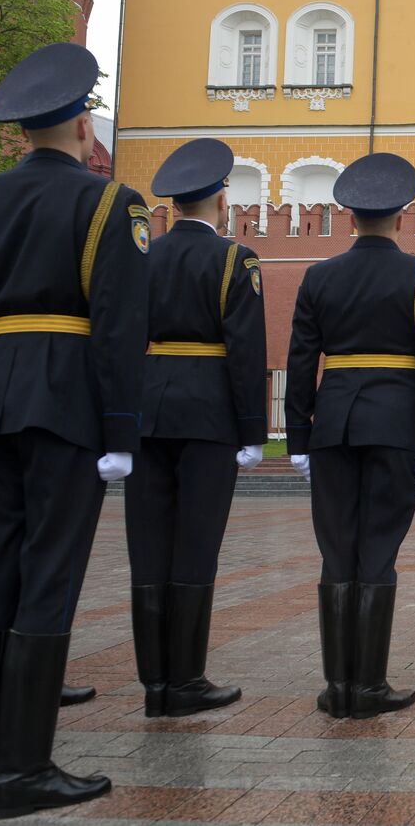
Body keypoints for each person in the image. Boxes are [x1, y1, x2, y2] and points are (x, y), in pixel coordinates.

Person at [0, 43, 149, 817]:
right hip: (65, 404)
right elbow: (120, 326)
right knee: (48, 580)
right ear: (83, 127)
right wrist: (121, 433)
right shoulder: (110, 203)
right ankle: (24, 771)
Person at [284, 152, 415, 720]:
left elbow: (301, 360)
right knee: (378, 550)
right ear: (401, 217)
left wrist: (298, 439)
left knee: (336, 553)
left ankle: (338, 688)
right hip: (396, 427)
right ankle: (369, 687)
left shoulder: (318, 277)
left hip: (332, 426)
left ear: (348, 217)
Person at [126, 138, 268, 719]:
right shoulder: (236, 261)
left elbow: (119, 337)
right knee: (196, 546)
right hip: (208, 413)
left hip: (146, 410)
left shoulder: (142, 256)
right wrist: (253, 428)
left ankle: (153, 683)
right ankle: (185, 679)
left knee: (148, 547)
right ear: (219, 198)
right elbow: (244, 349)